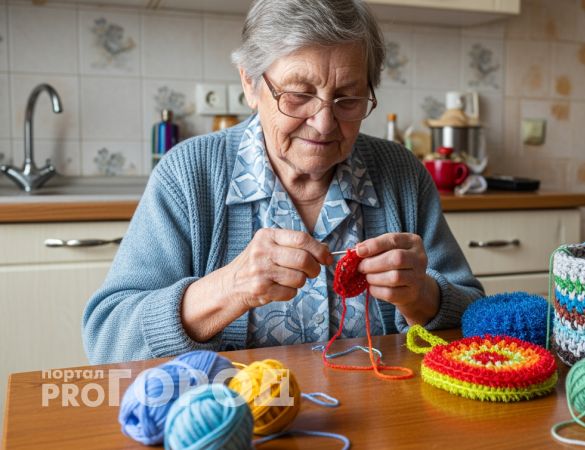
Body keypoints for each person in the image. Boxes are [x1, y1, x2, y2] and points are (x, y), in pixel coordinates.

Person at [82, 0, 483, 364]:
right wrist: (228, 288)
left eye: (348, 99)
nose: (324, 123)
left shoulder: (401, 174)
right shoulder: (190, 173)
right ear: (250, 84)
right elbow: (108, 340)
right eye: (297, 95)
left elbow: (478, 319)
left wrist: (424, 298)